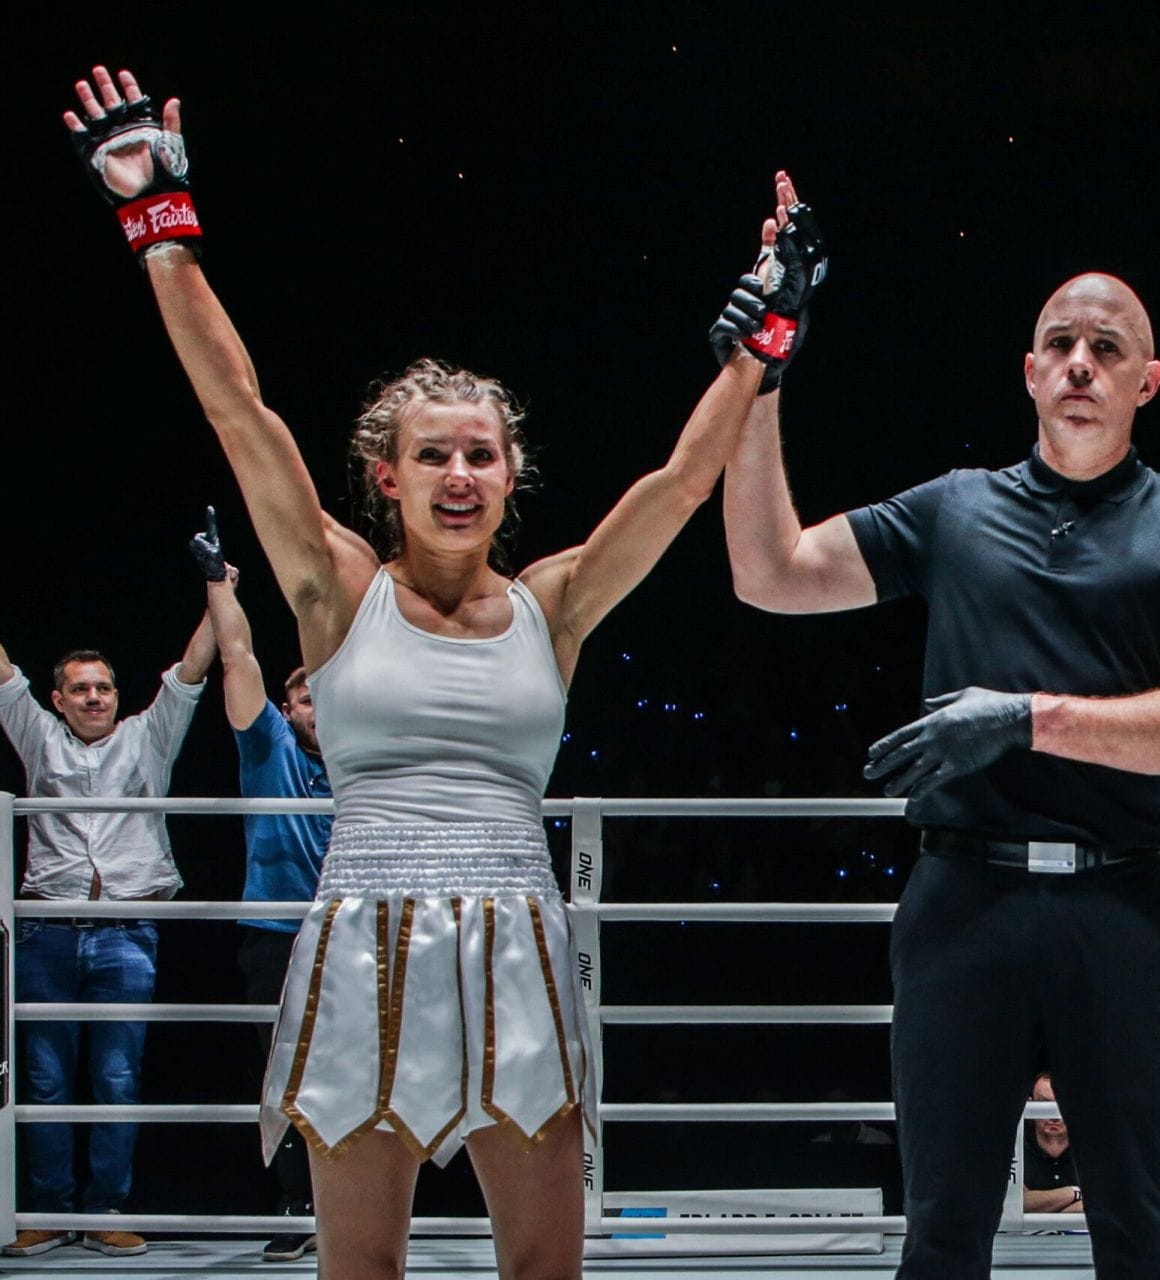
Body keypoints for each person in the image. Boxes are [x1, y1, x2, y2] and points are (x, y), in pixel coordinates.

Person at [62, 63, 823, 1280]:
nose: (460, 472)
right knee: (359, 1271)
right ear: (391, 476)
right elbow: (238, 411)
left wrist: (766, 339)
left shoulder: (554, 603)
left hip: (520, 935)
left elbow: (681, 483)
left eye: (481, 452)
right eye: (435, 454)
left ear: (509, 476)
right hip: (363, 934)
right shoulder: (337, 587)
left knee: (545, 1271)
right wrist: (161, 227)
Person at [722, 270, 1160, 1278]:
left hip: (1120, 899)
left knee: (1144, 1235)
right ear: (1027, 371)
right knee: (941, 1234)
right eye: (1060, 343)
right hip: (962, 897)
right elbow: (769, 570)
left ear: (1148, 380)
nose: (1079, 364)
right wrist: (761, 379)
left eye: (1106, 349)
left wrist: (1022, 719)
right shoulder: (957, 509)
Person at [0, 613, 215, 1258]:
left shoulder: (147, 736)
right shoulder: (37, 735)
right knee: (42, 1077)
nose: (95, 697)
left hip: (126, 929)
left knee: (118, 1075)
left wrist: (217, 591)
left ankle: (105, 1208)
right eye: (82, 689)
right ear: (58, 698)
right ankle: (46, 1209)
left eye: (105, 688)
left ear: (117, 696)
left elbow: (190, 674)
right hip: (46, 931)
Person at [194, 514, 330, 1262]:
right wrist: (219, 583)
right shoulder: (268, 745)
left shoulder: (364, 752)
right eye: (306, 698)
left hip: (351, 934)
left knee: (358, 1069)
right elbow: (238, 656)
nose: (319, 707)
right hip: (276, 937)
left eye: (326, 696)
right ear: (288, 710)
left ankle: (360, 1202)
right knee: (279, 1072)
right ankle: (294, 1199)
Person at [1022, 1074, 1083, 1216]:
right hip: (1023, 1238)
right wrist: (1075, 1193)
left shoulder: (1094, 1144)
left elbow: (1107, 1201)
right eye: (1044, 1103)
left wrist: (1045, 1205)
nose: (1054, 1116)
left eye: (1062, 1104)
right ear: (1030, 1103)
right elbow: (1014, 1204)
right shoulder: (1015, 1144)